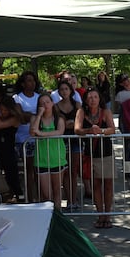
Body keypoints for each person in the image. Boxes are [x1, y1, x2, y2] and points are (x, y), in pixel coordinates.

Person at [75, 87, 115, 228]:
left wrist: (101, 131)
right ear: (86, 99)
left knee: (108, 185)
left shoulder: (106, 112)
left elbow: (112, 129)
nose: (93, 100)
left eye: (95, 97)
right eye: (90, 97)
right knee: (96, 185)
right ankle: (100, 215)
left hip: (106, 152)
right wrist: (88, 131)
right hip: (90, 153)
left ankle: (108, 216)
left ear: (100, 99)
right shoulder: (81, 112)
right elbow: (77, 129)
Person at [30, 94, 67, 210]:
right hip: (42, 160)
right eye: (42, 103)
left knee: (57, 190)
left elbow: (59, 132)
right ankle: (48, 216)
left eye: (47, 102)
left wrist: (41, 134)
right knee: (46, 193)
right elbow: (32, 132)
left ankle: (58, 215)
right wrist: (39, 115)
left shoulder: (59, 119)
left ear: (52, 103)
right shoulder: (35, 118)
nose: (45, 105)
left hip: (57, 158)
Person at [0, 96, 23, 202]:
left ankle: (19, 196)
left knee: (12, 176)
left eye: (5, 110)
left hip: (9, 150)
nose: (2, 112)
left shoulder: (15, 119)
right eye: (1, 109)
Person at [13, 71, 41, 202]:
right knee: (28, 170)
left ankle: (38, 197)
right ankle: (30, 198)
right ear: (23, 83)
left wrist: (29, 115)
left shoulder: (39, 97)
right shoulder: (17, 98)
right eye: (29, 80)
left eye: (33, 80)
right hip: (22, 138)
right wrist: (35, 116)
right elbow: (21, 117)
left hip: (37, 137)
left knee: (37, 170)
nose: (32, 83)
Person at [55, 80, 82, 210]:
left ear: (71, 90)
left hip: (75, 140)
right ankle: (69, 199)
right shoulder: (55, 106)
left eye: (66, 89)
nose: (64, 91)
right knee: (65, 171)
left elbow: (79, 122)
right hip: (62, 141)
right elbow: (59, 123)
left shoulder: (77, 105)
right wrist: (67, 124)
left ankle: (74, 198)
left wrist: (69, 124)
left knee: (74, 171)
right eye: (62, 89)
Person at [115, 73, 130, 165]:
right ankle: (128, 169)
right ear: (121, 84)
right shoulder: (120, 94)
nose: (127, 81)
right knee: (127, 147)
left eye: (127, 79)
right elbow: (119, 109)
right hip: (127, 122)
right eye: (124, 80)